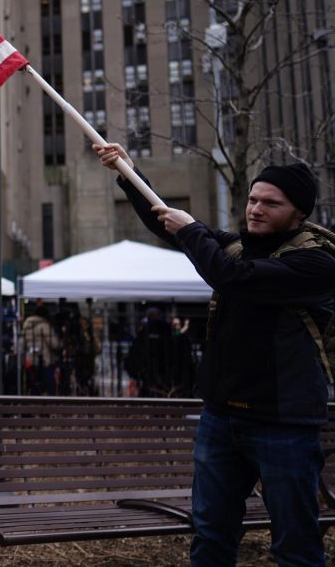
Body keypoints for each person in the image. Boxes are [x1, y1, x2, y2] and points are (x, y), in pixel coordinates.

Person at [95, 141, 335, 566]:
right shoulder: (239, 246)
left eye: (270, 203)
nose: (255, 209)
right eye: (252, 199)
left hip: (284, 422)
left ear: (299, 213)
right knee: (211, 533)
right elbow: (167, 223)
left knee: (295, 543)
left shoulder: (317, 262)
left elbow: (231, 278)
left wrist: (190, 229)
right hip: (222, 417)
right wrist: (131, 175)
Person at [19, 303, 61, 395]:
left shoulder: (26, 324)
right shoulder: (44, 324)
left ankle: (34, 405)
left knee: (34, 385)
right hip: (45, 360)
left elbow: (22, 344)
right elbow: (54, 344)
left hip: (30, 360)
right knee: (49, 386)